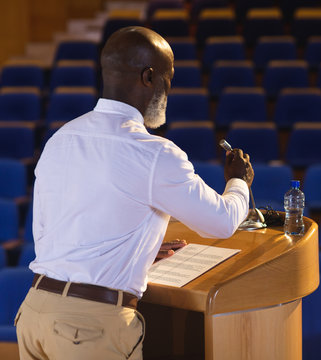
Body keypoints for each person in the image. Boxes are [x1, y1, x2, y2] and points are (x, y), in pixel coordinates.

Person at [15, 26, 253, 360]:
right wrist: (238, 180)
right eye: (167, 80)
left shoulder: (61, 139)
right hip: (89, 329)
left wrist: (134, 251)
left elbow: (53, 232)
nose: (168, 90)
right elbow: (222, 223)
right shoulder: (153, 153)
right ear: (149, 77)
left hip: (34, 315)